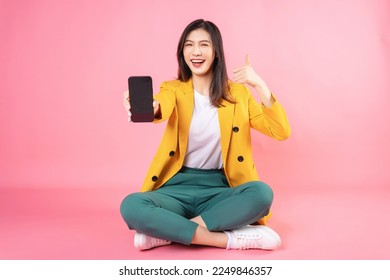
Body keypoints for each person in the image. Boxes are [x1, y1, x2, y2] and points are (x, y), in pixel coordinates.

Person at [120, 19, 291, 251]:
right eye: (189, 45)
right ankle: (228, 239)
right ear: (182, 51)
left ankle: (169, 233)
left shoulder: (239, 95)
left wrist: (259, 85)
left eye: (204, 45)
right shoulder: (172, 89)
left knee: (261, 194)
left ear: (216, 52)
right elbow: (161, 105)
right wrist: (150, 108)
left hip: (220, 189)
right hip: (176, 189)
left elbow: (280, 131)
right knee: (131, 205)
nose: (196, 52)